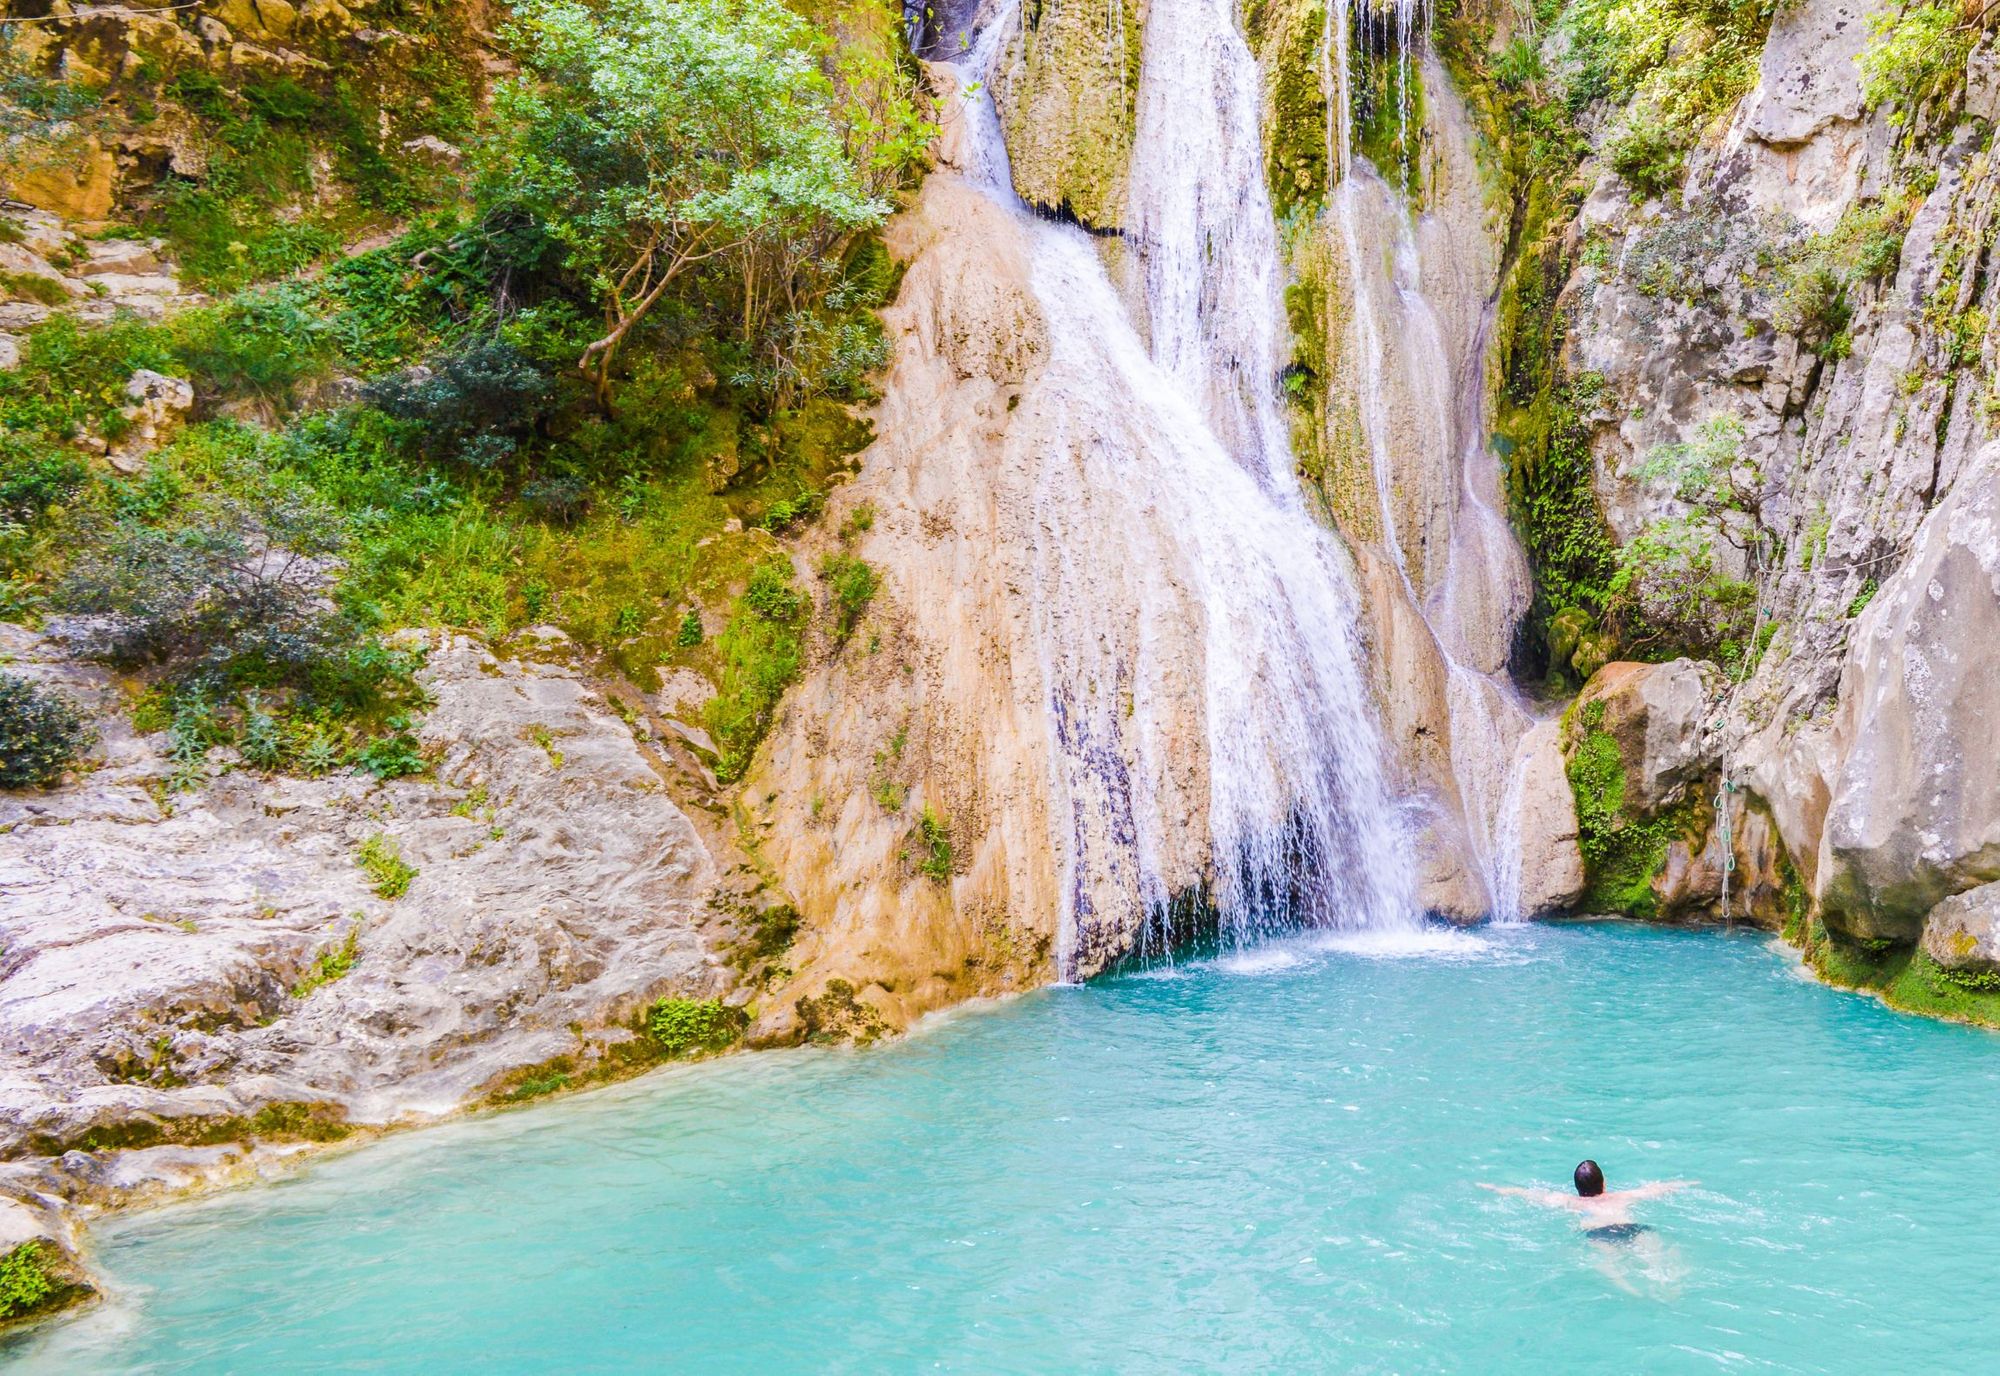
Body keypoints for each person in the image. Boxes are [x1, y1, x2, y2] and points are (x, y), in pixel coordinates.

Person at [1479, 1160, 1696, 1242]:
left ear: (1577, 1188)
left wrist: (1496, 1188)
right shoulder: (1621, 1197)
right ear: (1604, 1183)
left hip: (1600, 1233)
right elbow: (1655, 1190)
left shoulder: (1570, 1202)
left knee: (1617, 1274)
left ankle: (1635, 1291)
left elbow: (1528, 1194)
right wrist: (1688, 1183)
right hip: (1631, 1227)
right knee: (1658, 1260)